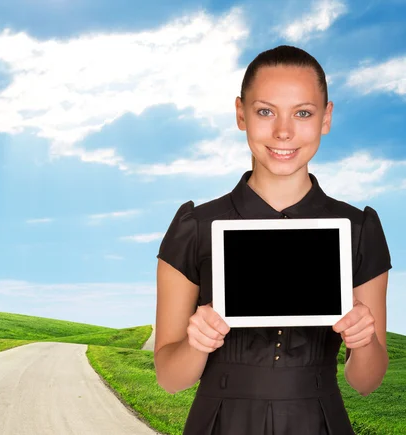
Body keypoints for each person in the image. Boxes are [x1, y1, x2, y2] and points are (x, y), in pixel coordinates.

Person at [154, 45, 392, 435]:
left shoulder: (359, 229)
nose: (283, 132)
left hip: (319, 421)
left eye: (303, 113)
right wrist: (197, 342)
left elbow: (366, 382)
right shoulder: (194, 226)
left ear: (326, 117)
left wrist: (363, 341)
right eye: (265, 111)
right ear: (240, 114)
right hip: (219, 423)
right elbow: (169, 379)